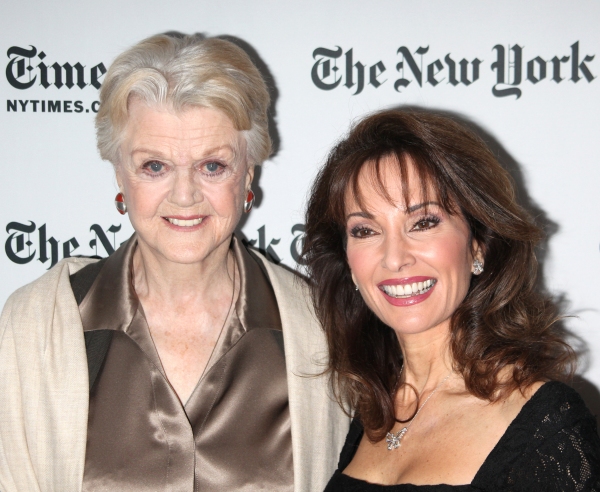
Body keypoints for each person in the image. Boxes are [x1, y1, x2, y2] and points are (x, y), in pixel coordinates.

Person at [0, 33, 349, 492]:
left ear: (249, 171)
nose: (185, 196)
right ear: (118, 172)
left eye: (212, 166)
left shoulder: (321, 332)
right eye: (155, 167)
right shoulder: (33, 326)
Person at [302, 109, 600, 490]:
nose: (394, 257)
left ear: (478, 243)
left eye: (423, 222)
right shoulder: (372, 409)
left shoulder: (546, 423)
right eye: (365, 230)